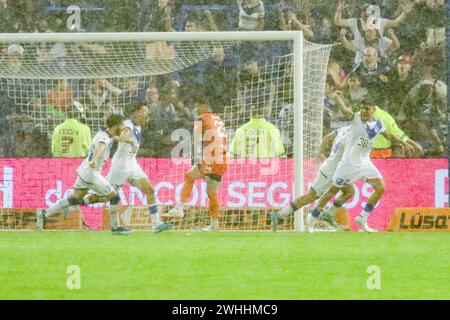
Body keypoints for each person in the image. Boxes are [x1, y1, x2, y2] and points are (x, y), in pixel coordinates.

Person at [308, 93, 420, 233]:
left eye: (366, 108)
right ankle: (312, 219)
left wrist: (404, 143)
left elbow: (389, 136)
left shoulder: (378, 124)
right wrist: (337, 97)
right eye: (362, 108)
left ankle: (362, 217)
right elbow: (344, 110)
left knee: (380, 187)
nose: (364, 111)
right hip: (348, 163)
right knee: (332, 192)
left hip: (364, 163)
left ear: (373, 109)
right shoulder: (356, 119)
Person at [81, 102, 171, 233]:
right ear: (136, 112)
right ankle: (79, 202)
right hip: (120, 167)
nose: (148, 114)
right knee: (107, 196)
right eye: (145, 111)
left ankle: (156, 224)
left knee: (150, 190)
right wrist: (124, 138)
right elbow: (119, 136)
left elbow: (131, 145)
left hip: (132, 164)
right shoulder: (128, 125)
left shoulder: (137, 126)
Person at [36, 114, 132, 235]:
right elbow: (101, 148)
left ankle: (44, 213)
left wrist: (125, 140)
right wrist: (95, 160)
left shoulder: (103, 133)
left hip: (84, 170)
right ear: (116, 125)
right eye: (122, 124)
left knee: (74, 199)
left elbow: (113, 138)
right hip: (91, 173)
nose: (123, 127)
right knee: (114, 197)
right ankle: (116, 228)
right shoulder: (105, 139)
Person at [271, 126, 354, 231]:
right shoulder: (353, 133)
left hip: (338, 169)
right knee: (310, 197)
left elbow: (327, 137)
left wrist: (321, 153)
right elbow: (329, 139)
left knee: (349, 191)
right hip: (330, 170)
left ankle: (328, 214)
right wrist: (320, 154)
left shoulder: (344, 129)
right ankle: (279, 215)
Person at [164, 97, 228, 232]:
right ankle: (180, 208)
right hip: (219, 156)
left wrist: (197, 159)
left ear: (204, 105)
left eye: (196, 106)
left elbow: (197, 141)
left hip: (212, 157)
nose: (195, 109)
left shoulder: (201, 119)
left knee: (211, 191)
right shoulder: (217, 119)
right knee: (189, 176)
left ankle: (214, 225)